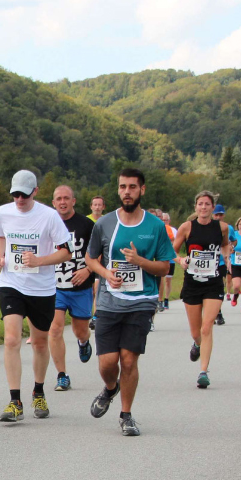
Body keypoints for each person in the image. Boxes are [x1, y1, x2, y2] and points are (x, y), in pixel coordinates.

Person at [83, 168, 174, 436]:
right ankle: (111, 388)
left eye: (132, 187)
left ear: (142, 190)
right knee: (108, 363)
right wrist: (106, 274)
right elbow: (90, 259)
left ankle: (126, 415)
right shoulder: (104, 224)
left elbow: (165, 268)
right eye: (123, 187)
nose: (127, 192)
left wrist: (141, 262)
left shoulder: (156, 227)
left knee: (129, 361)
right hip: (110, 301)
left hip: (142, 301)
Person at [0, 170, 71, 422]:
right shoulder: (3, 212)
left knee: (39, 343)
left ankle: (38, 390)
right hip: (11, 283)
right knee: (12, 339)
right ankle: (15, 401)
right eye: (15, 194)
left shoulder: (49, 216)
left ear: (35, 192)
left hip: (41, 288)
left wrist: (40, 260)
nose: (19, 199)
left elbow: (66, 252)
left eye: (24, 195)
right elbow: (0, 235)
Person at [172, 191, 231, 389]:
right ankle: (197, 344)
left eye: (207, 204)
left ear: (213, 208)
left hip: (213, 282)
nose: (204, 207)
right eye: (200, 204)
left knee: (207, 327)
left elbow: (224, 245)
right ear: (195, 207)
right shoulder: (187, 227)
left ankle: (203, 371)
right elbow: (172, 250)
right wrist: (181, 260)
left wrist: (226, 259)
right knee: (196, 332)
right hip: (192, 283)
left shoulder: (222, 227)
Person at [48, 185, 94, 392]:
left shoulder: (86, 224)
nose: (63, 202)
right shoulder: (47, 224)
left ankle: (83, 343)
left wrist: (88, 270)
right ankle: (62, 375)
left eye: (66, 198)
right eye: (59, 199)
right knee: (55, 329)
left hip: (80, 286)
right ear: (53, 203)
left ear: (73, 201)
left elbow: (99, 253)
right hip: (54, 286)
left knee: (80, 331)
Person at [88, 195, 107, 331]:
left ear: (103, 207)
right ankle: (88, 314)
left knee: (97, 288)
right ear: (91, 206)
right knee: (90, 291)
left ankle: (96, 316)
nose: (97, 207)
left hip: (102, 261)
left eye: (100, 205)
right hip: (88, 260)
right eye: (95, 204)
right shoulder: (86, 221)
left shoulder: (107, 221)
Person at [212, 205, 232, 325]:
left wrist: (230, 248)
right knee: (209, 288)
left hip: (221, 262)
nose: (218, 217)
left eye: (220, 215)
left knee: (218, 287)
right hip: (208, 263)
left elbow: (233, 241)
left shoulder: (227, 228)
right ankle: (215, 313)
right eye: (216, 215)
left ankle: (218, 312)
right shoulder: (206, 227)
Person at [159, 212, 177, 311]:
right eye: (163, 220)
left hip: (171, 258)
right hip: (161, 258)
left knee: (168, 280)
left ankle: (166, 299)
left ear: (169, 221)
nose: (164, 222)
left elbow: (175, 242)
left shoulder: (172, 230)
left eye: (166, 220)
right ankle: (159, 300)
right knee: (162, 279)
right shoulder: (158, 227)